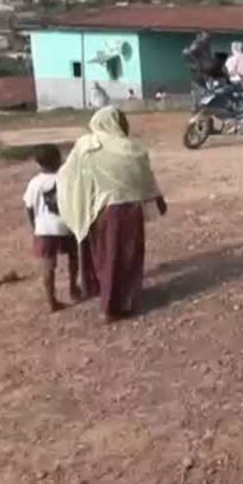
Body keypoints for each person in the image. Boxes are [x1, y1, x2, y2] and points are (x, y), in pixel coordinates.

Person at [57, 107, 167, 322]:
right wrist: (157, 199)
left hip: (100, 210)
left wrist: (79, 203)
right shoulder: (132, 149)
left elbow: (69, 175)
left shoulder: (87, 145)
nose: (126, 124)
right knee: (125, 257)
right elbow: (144, 179)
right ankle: (114, 305)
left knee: (107, 255)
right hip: (128, 211)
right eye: (123, 120)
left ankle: (107, 298)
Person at [24, 144, 81, 312]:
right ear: (59, 159)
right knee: (73, 257)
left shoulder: (35, 183)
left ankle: (51, 301)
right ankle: (73, 288)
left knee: (48, 265)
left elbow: (29, 206)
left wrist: (34, 226)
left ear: (38, 163)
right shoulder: (67, 178)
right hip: (67, 225)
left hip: (44, 228)